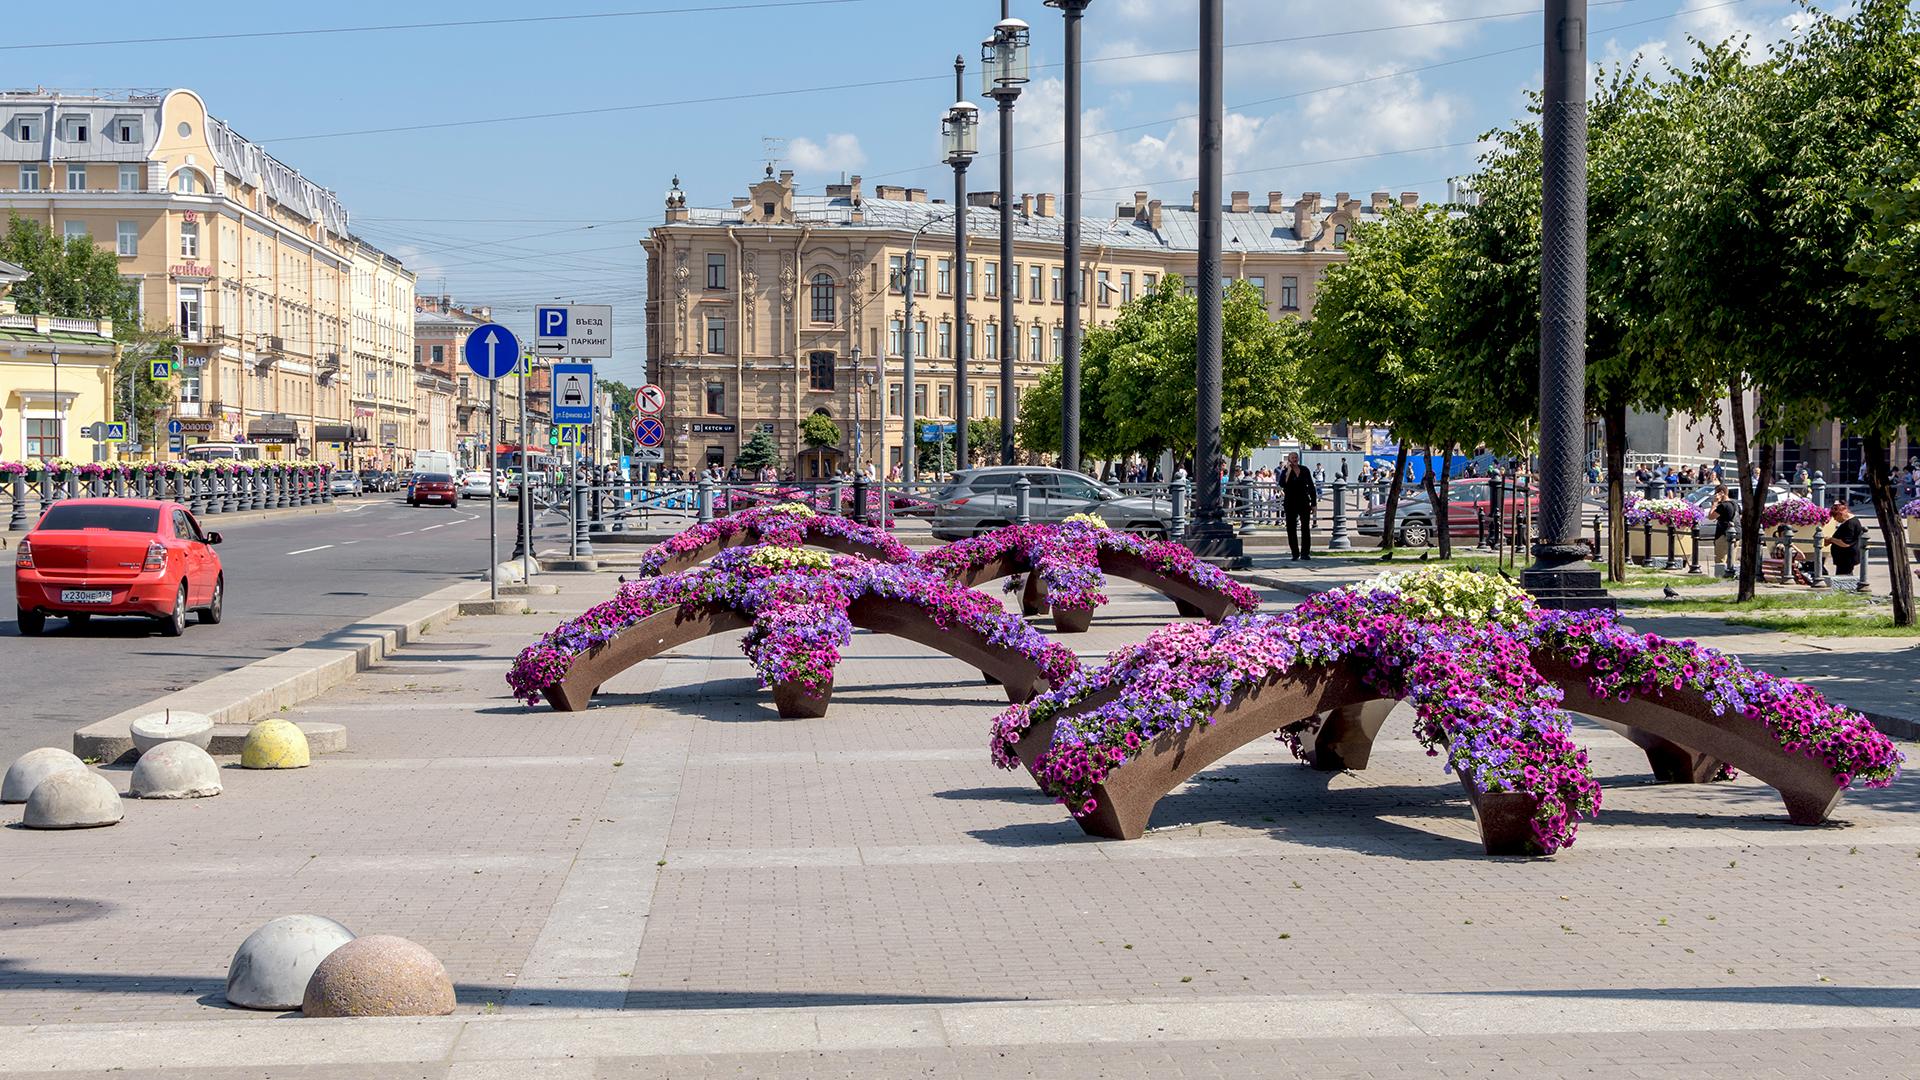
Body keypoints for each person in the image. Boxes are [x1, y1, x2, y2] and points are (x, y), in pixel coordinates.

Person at [1280, 452, 1317, 560]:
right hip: (1290, 502)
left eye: (1296, 457)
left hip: (1304, 501)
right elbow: (1282, 484)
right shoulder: (1285, 471)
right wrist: (1288, 470)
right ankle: (1295, 553)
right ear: (1289, 459)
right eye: (1293, 458)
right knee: (1291, 528)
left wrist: (1313, 503)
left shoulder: (1304, 469)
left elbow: (1311, 486)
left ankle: (1305, 553)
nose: (1295, 459)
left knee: (1305, 527)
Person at [1827, 500, 1865, 582]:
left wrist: (1831, 539)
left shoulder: (1850, 524)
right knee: (1846, 577)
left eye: (1835, 517)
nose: (1835, 520)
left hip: (1847, 557)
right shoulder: (1848, 522)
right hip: (1844, 557)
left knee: (1843, 578)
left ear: (1840, 514)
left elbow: (1846, 543)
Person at [1710, 485, 1736, 576]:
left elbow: (1711, 516)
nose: (1715, 495)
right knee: (1731, 560)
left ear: (1721, 493)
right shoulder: (1735, 504)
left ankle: (1719, 578)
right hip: (1735, 535)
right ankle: (1730, 577)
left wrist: (1714, 503)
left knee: (1720, 560)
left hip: (1723, 535)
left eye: (1716, 493)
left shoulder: (1723, 506)